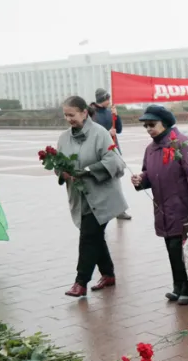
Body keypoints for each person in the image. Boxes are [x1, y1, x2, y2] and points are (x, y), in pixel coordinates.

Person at [131, 105, 188, 304]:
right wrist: (141, 180)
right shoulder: (151, 149)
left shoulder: (183, 144)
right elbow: (149, 173)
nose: (148, 129)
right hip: (162, 208)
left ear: (165, 124)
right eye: (145, 126)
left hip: (183, 207)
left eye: (152, 125)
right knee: (172, 249)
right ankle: (178, 286)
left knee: (183, 249)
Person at [56, 96, 128, 297]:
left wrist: (87, 170)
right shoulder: (63, 138)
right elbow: (58, 164)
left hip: (102, 198)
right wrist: (62, 172)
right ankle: (108, 275)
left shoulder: (100, 134)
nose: (69, 119)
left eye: (72, 114)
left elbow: (115, 161)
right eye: (66, 115)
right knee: (95, 236)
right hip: (80, 198)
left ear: (84, 112)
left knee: (88, 237)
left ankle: (80, 283)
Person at [91, 88, 132, 221]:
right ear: (102, 99)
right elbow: (92, 133)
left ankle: (120, 210)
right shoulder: (92, 114)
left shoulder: (110, 112)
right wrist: (107, 134)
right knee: (102, 182)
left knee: (116, 181)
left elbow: (118, 129)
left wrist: (116, 116)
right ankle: (101, 211)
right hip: (100, 153)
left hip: (113, 150)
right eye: (107, 99)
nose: (109, 101)